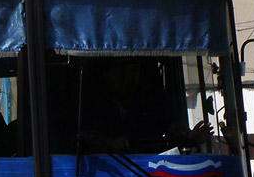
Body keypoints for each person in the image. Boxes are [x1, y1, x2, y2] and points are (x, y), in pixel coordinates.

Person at [80, 57, 211, 154]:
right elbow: (86, 138)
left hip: (153, 172)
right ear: (107, 73)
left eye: (136, 68)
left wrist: (189, 137)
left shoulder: (154, 98)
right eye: (124, 67)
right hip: (106, 175)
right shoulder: (93, 103)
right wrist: (109, 142)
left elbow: (176, 128)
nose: (132, 74)